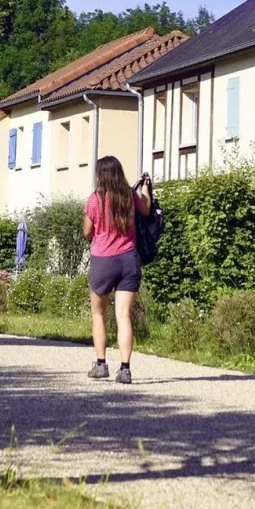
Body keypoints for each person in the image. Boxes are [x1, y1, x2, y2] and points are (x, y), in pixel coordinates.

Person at [84, 156, 152, 384]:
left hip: (104, 259)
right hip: (129, 260)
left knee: (98, 313)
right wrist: (146, 190)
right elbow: (146, 210)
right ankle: (125, 369)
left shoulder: (94, 200)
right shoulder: (129, 196)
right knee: (124, 315)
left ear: (100, 175)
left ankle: (101, 364)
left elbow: (87, 231)